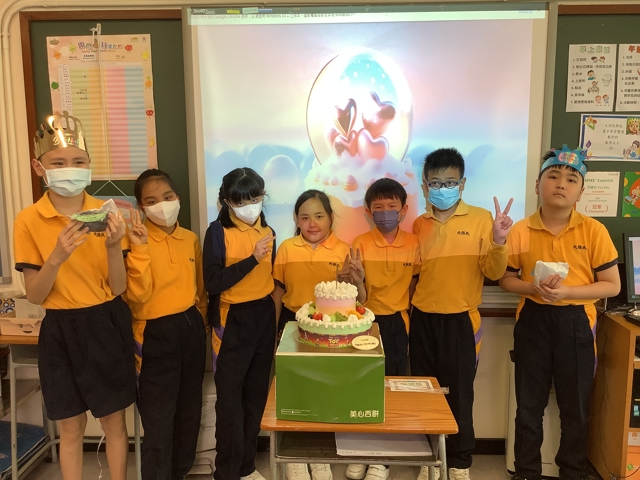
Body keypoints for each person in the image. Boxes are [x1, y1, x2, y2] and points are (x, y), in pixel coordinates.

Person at [13, 111, 134, 480]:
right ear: (39, 167)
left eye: (79, 161)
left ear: (89, 165)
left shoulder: (107, 214)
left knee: (113, 421)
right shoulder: (28, 220)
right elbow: (35, 295)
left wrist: (113, 247)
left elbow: (119, 288)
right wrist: (56, 257)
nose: (70, 169)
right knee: (70, 425)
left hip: (105, 322)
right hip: (60, 329)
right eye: (59, 162)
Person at [499, 147, 620, 480]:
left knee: (575, 408)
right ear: (538, 185)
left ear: (581, 191)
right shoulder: (520, 230)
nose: (561, 184)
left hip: (576, 322)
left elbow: (611, 285)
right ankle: (526, 472)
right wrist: (532, 288)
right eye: (553, 176)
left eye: (571, 179)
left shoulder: (594, 231)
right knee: (528, 408)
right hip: (533, 320)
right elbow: (506, 279)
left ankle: (573, 471)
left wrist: (568, 293)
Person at [410, 148, 513, 480]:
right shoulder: (419, 224)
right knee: (424, 394)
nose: (442, 189)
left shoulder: (482, 219)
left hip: (460, 321)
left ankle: (459, 463)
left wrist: (499, 240)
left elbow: (494, 271)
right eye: (435, 183)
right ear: (425, 186)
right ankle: (430, 459)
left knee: (459, 395)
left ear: (463, 183)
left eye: (450, 182)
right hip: (422, 319)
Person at [125, 169, 207, 479]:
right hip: (153, 332)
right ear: (141, 207)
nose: (162, 204)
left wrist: (200, 323)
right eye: (151, 201)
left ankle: (180, 472)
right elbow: (136, 294)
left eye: (167, 197)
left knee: (189, 412)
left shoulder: (190, 238)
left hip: (190, 326)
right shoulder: (133, 239)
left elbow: (200, 290)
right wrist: (139, 248)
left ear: (178, 198)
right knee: (158, 419)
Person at [203, 167, 276, 480]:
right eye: (241, 201)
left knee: (255, 395)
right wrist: (252, 259)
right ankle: (227, 472)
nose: (249, 206)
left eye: (255, 198)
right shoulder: (217, 232)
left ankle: (247, 467)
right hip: (232, 319)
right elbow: (213, 282)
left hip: (263, 316)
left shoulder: (268, 230)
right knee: (230, 400)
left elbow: (269, 280)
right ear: (226, 202)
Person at [272, 189, 350, 480]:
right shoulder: (286, 248)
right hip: (293, 325)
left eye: (319, 216)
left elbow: (351, 296)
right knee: (293, 389)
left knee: (325, 390)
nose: (312, 223)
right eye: (305, 217)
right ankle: (294, 456)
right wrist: (274, 331)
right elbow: (278, 292)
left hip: (329, 329)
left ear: (330, 218)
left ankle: (319, 455)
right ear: (296, 219)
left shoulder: (344, 249)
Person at [346, 178, 421, 480]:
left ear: (404, 210)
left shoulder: (414, 243)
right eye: (379, 207)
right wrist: (358, 280)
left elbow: (415, 287)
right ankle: (361, 449)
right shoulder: (360, 243)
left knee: (392, 388)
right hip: (366, 322)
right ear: (368, 211)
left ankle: (383, 459)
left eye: (392, 206)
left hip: (398, 323)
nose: (386, 212)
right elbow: (357, 295)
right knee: (363, 385)